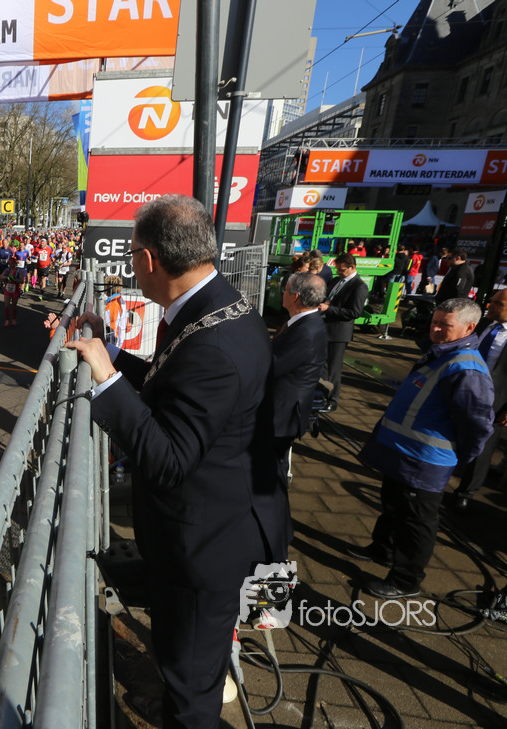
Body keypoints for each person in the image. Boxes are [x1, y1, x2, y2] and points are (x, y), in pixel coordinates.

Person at [65, 195, 290, 729]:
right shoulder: (217, 304)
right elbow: (174, 387)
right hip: (220, 522)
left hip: (208, 546)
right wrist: (113, 354)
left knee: (191, 680)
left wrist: (106, 380)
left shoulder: (212, 341)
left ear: (148, 260)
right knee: (183, 659)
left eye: (133, 254)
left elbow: (167, 459)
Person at [348, 298, 493, 598]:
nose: (435, 329)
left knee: (417, 521)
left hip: (424, 461)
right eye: (434, 322)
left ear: (469, 328)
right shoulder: (441, 353)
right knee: (393, 505)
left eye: (444, 325)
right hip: (402, 453)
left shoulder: (467, 368)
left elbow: (477, 423)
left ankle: (405, 580)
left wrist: (462, 457)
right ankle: (383, 550)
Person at [452, 288, 507, 511]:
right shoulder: (482, 324)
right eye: (491, 301)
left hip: (494, 400)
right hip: (460, 389)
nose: (489, 306)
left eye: (497, 304)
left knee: (483, 448)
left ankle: (465, 492)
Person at [271, 273, 328, 482]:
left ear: (295, 297)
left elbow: (272, 366)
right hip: (282, 410)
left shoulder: (305, 331)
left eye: (285, 290)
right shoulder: (306, 322)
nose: (282, 293)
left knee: (271, 470)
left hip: (281, 414)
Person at [319, 253, 368, 413]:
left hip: (338, 333)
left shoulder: (359, 286)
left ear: (352, 267)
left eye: (342, 270)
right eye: (337, 269)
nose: (339, 272)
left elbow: (354, 312)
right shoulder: (336, 281)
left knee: (333, 368)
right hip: (325, 328)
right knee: (323, 366)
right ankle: (322, 394)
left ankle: (332, 400)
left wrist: (329, 309)